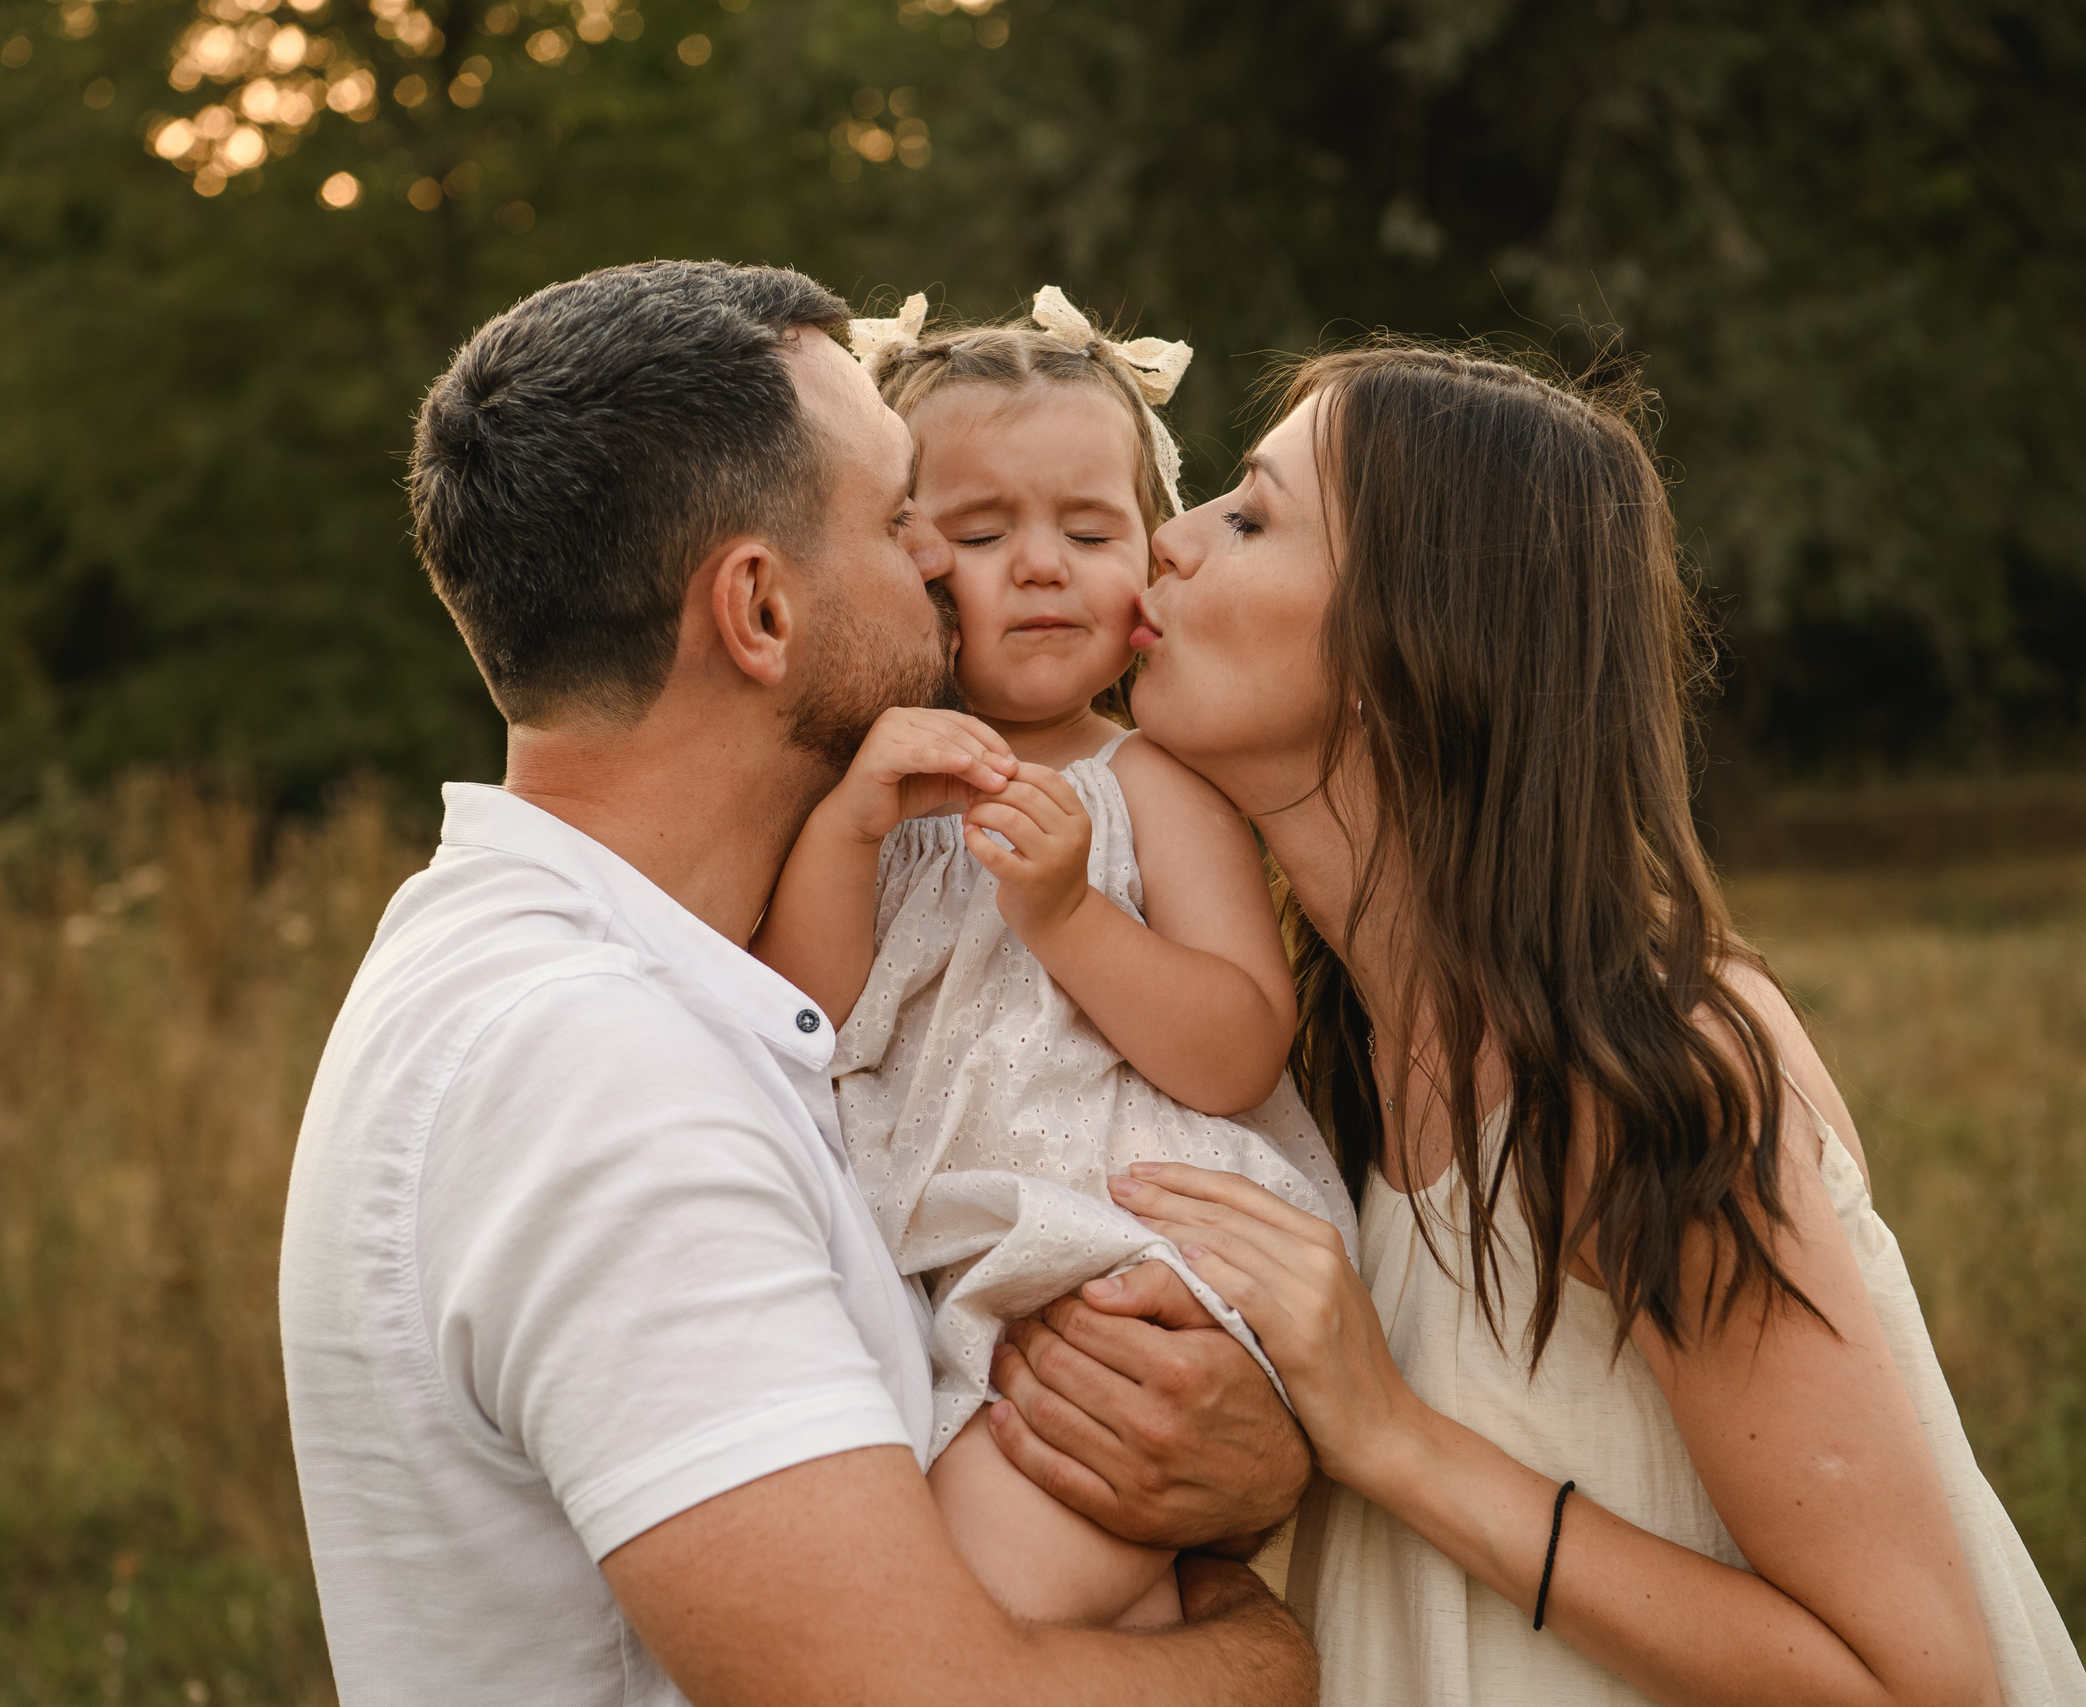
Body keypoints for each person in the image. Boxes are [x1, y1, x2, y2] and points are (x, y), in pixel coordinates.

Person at [275, 260, 1316, 1707]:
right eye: (910, 522)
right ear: (759, 612)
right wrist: (1261, 1652)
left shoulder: (595, 980)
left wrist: (1239, 1448)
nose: (964, 570)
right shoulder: (594, 1079)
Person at [1005, 343, 2086, 1703]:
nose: (1167, 541)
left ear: (1414, 640)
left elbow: (1918, 1683)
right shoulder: (1310, 1062)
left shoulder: (1643, 1064)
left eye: (1253, 516)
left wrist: (1391, 1437)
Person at [752, 288, 1355, 1633]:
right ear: (901, 552)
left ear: (1151, 556)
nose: (1040, 565)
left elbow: (1239, 1042)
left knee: (984, 1601)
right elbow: (803, 1020)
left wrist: (1072, 918)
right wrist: (852, 827)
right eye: (980, 531)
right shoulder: (868, 791)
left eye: (1090, 530)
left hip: (1129, 1264)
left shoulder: (1157, 786)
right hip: (932, 1296)